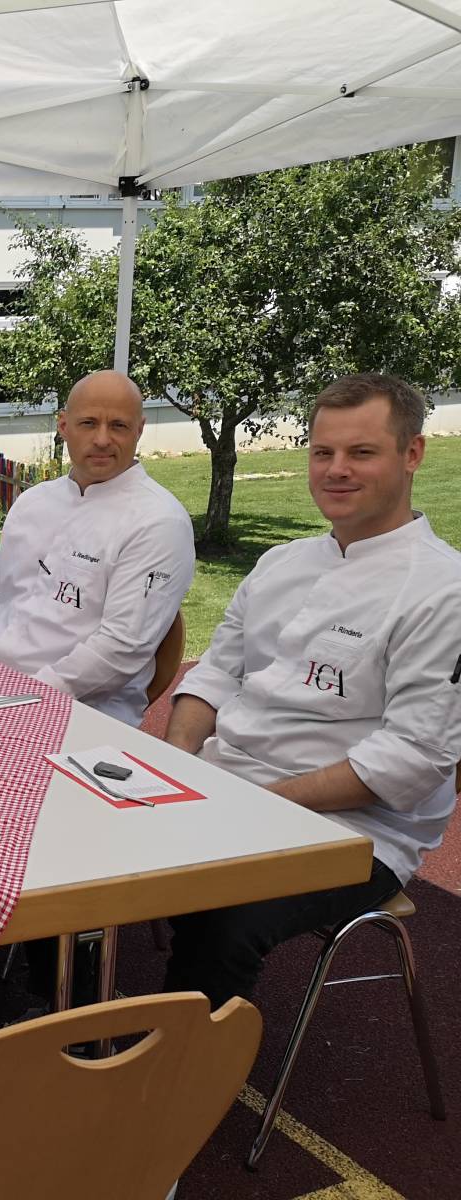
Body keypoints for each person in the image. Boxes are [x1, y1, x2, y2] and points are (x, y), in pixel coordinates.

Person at [162, 373, 461, 1006]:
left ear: (412, 453)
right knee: (82, 834)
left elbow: (410, 759)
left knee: (222, 914)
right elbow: (215, 674)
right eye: (323, 452)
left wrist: (254, 805)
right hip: (229, 786)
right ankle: (58, 1012)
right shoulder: (281, 563)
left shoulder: (443, 593)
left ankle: (175, 1063)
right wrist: (177, 761)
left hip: (355, 829)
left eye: (361, 452)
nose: (336, 469)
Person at [0, 370, 195, 726]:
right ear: (63, 426)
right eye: (88, 423)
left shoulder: (158, 522)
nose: (102, 439)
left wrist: (16, 701)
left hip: (78, 713)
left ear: (139, 430)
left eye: (119, 426)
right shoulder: (33, 502)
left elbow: (120, 649)